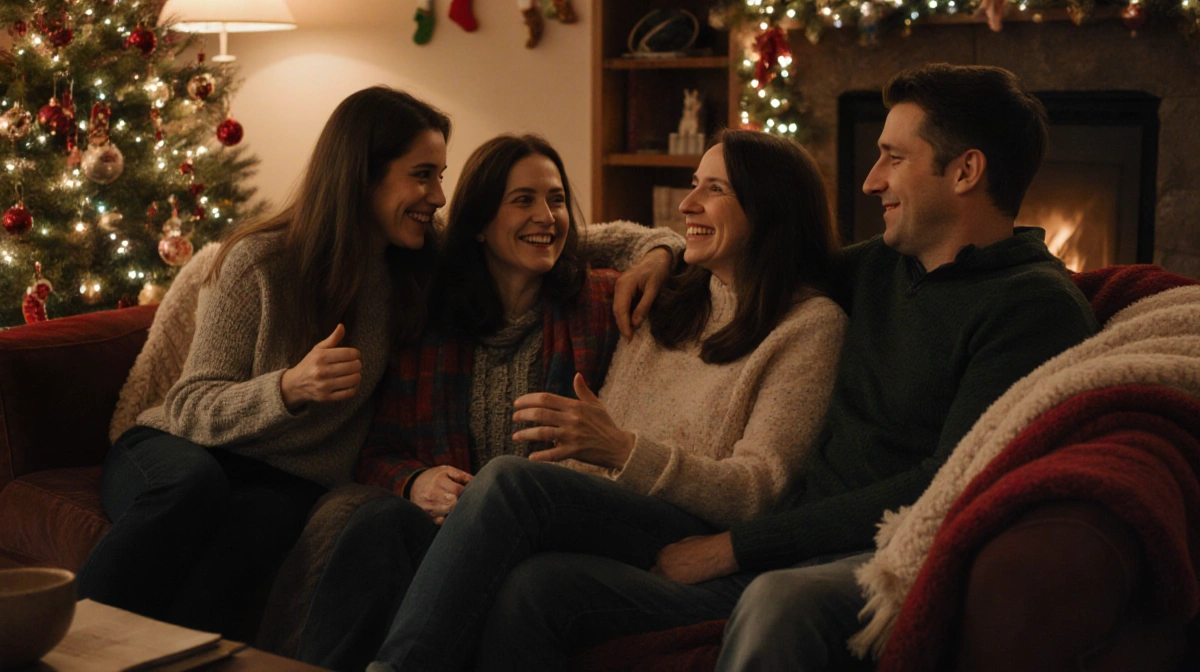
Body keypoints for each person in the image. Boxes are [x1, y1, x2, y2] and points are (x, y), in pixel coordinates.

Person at [476, 63, 1098, 672]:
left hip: (875, 559)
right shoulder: (883, 267)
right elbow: (761, 251)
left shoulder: (1033, 307)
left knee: (779, 602)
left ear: (966, 170)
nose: (871, 181)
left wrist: (736, 547)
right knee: (537, 587)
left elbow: (945, 481)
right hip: (789, 544)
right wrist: (664, 252)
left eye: (894, 157)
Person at [365, 129, 849, 672]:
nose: (687, 204)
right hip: (611, 517)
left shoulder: (809, 326)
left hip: (694, 529)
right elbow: (561, 241)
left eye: (714, 189)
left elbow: (761, 490)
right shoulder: (662, 303)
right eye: (693, 185)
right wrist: (663, 250)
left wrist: (622, 450)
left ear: (772, 208)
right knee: (528, 585)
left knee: (509, 481)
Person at [76, 86, 452, 635]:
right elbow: (188, 404)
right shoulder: (262, 262)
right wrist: (289, 388)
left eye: (442, 175)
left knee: (264, 522)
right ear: (364, 174)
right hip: (179, 445)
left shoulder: (412, 271)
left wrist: (630, 263)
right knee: (192, 489)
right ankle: (69, 648)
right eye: (423, 174)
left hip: (287, 479)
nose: (438, 195)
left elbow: (533, 242)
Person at [292, 134, 675, 669]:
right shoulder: (429, 319)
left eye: (557, 199)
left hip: (564, 532)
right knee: (364, 520)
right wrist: (414, 481)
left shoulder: (603, 302)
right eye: (522, 200)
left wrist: (663, 252)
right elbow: (376, 448)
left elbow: (667, 249)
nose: (546, 216)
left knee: (505, 491)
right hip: (451, 539)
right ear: (477, 222)